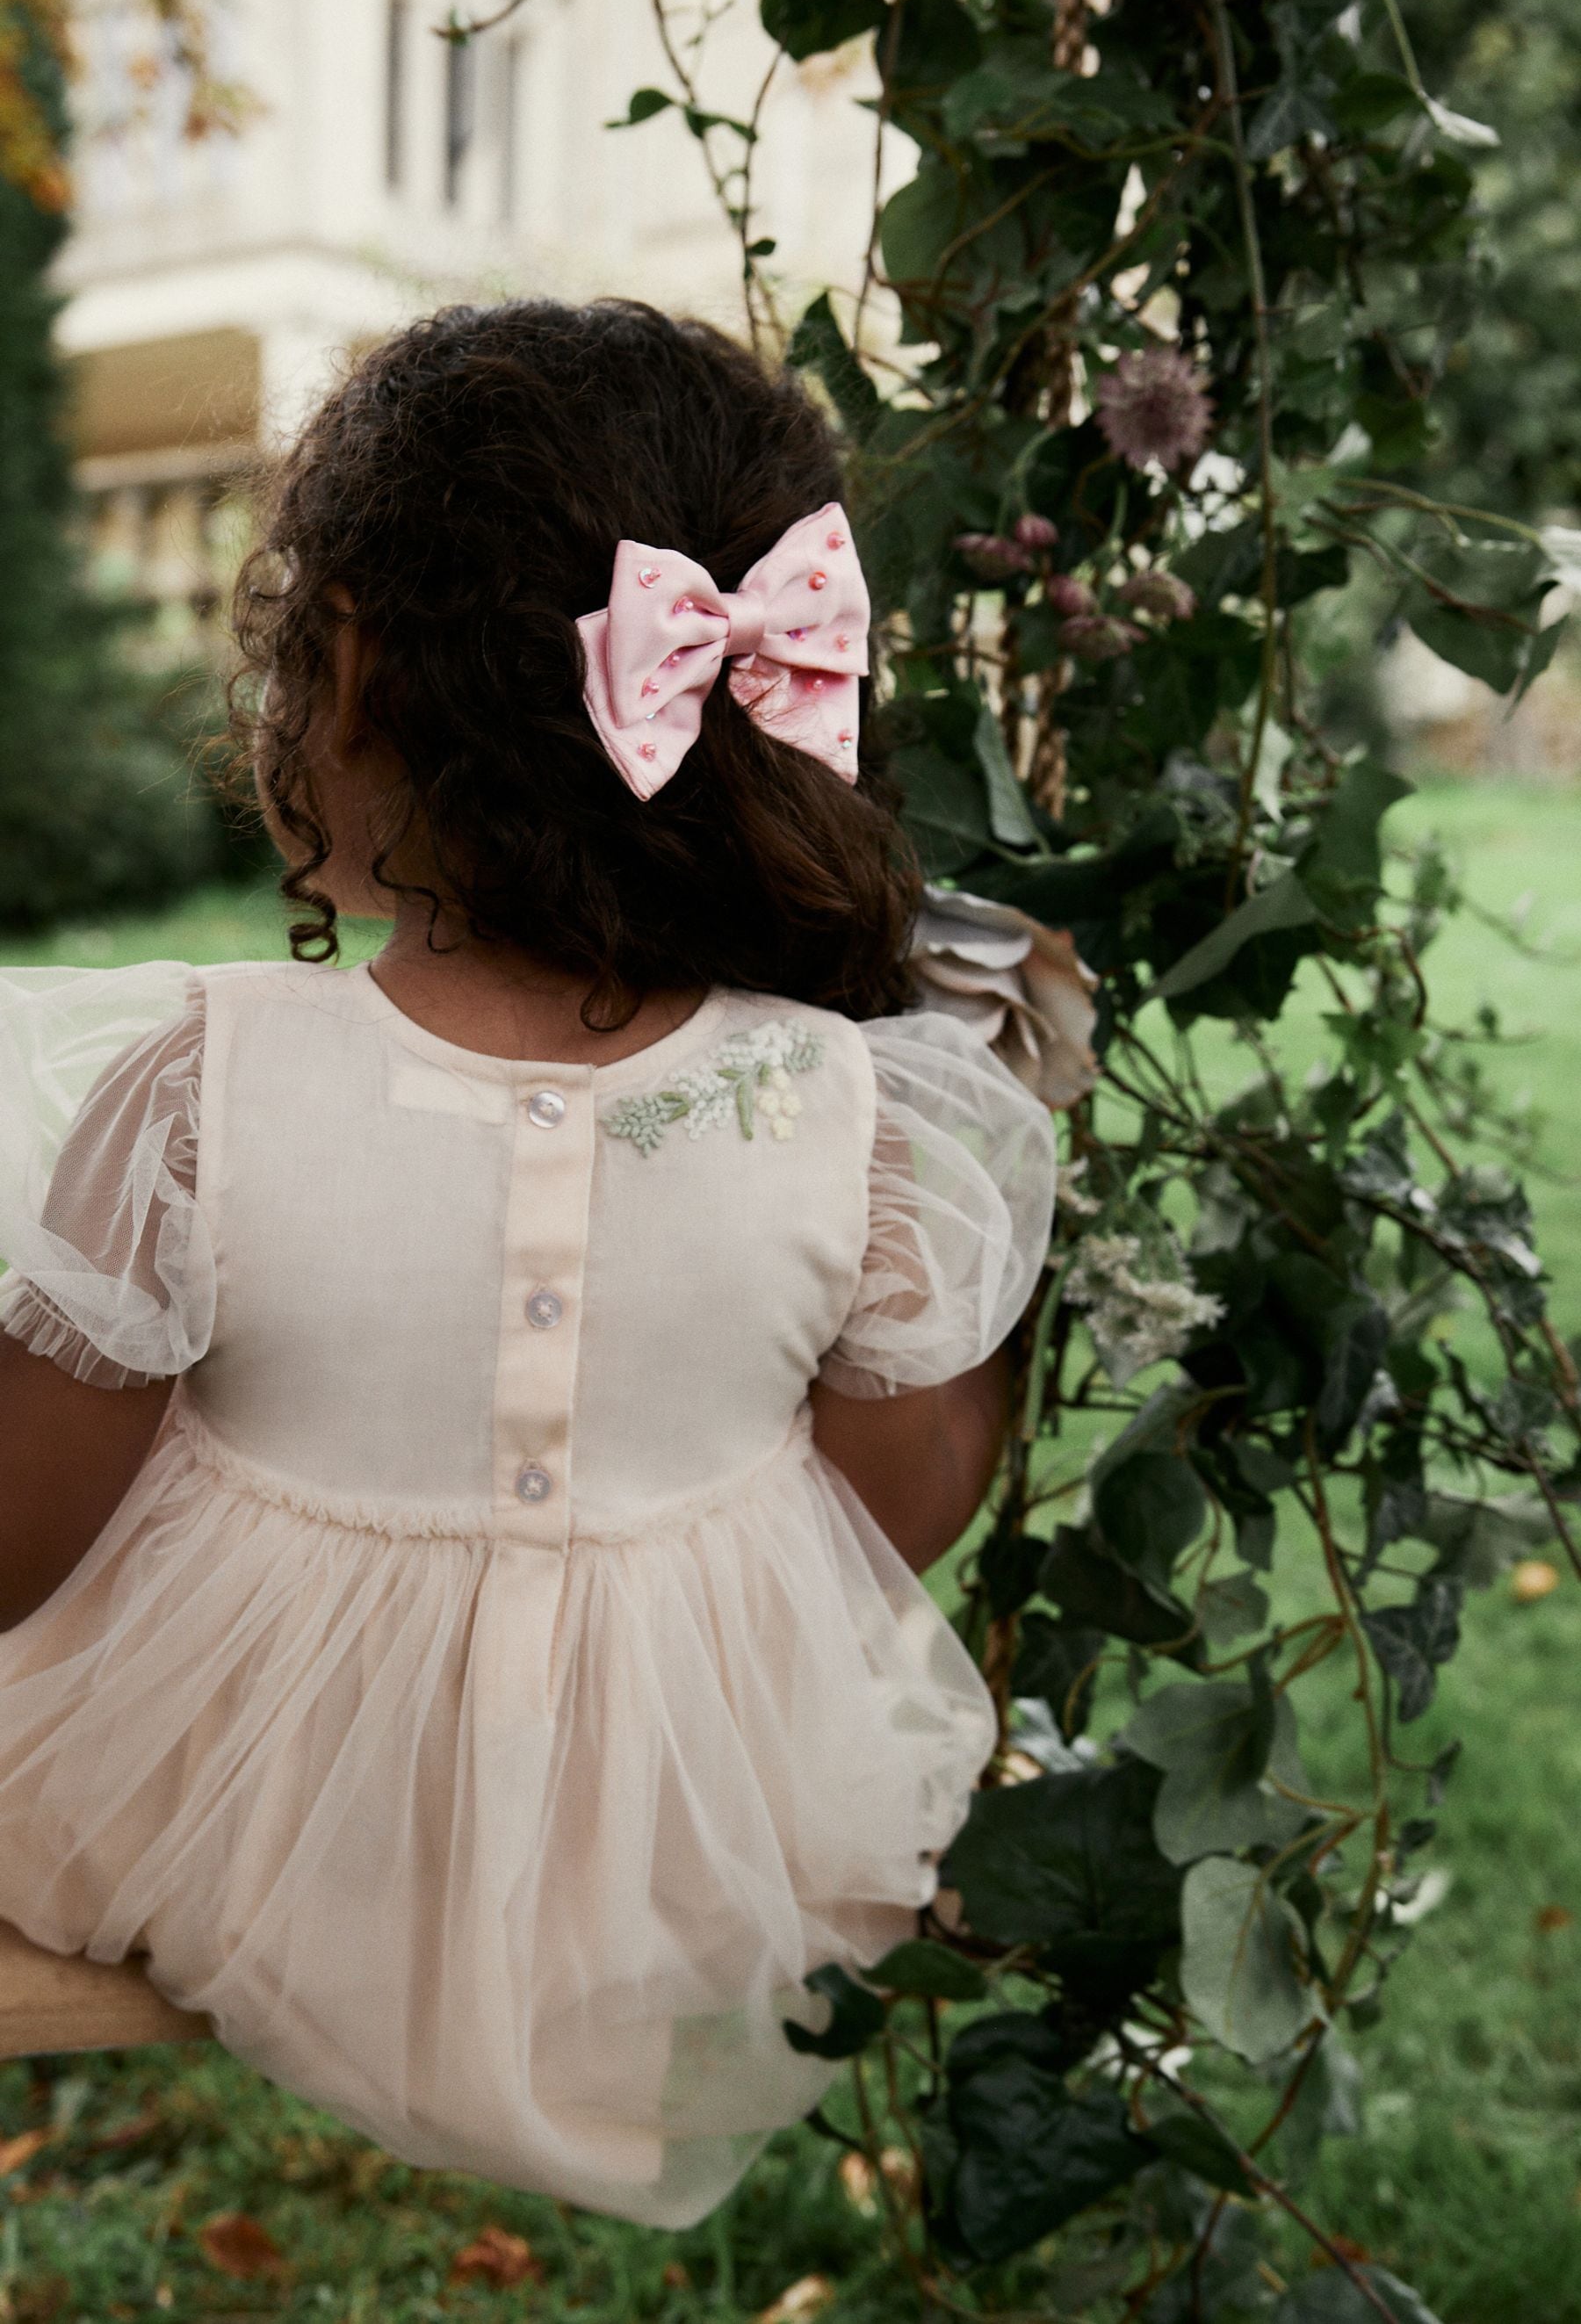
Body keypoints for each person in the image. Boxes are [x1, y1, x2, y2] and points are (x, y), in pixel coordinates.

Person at [0, 301, 1055, 2227]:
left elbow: (18, 1538)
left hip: (225, 1818)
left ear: (345, 669)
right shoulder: (857, 1114)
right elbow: (891, 1516)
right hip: (680, 1841)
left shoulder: (189, 1089)